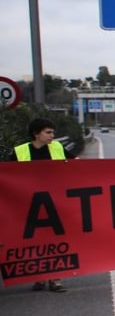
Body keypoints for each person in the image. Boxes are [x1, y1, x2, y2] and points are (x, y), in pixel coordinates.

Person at [7, 118, 69, 291]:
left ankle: (55, 278)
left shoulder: (57, 148)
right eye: (48, 132)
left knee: (55, 239)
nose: (52, 136)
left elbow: (75, 165)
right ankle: (40, 276)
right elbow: (7, 176)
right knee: (35, 241)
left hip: (55, 202)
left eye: (53, 132)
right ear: (36, 134)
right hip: (29, 204)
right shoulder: (20, 152)